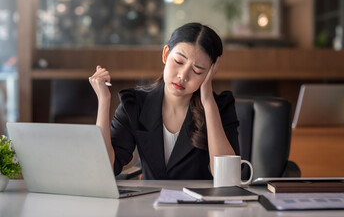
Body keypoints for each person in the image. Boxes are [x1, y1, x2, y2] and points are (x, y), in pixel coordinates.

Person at [89, 22, 239, 180]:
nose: (183, 75)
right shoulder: (134, 104)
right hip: (149, 202)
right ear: (166, 54)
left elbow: (227, 178)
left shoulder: (220, 107)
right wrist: (104, 101)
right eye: (179, 62)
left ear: (210, 72)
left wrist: (208, 101)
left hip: (197, 203)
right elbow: (105, 166)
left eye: (197, 70)